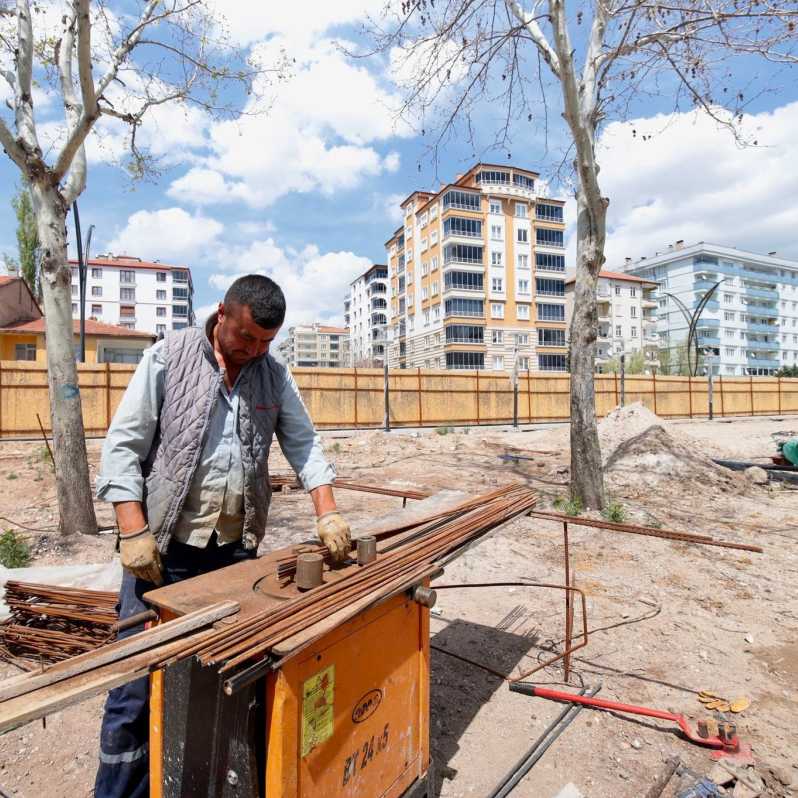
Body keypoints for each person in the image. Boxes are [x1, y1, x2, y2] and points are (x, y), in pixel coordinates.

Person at [93, 274, 351, 798]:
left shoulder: (272, 376)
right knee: (135, 687)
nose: (253, 350)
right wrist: (133, 530)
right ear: (221, 314)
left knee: (221, 679)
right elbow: (122, 446)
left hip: (232, 557)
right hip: (162, 556)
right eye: (246, 338)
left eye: (265, 342)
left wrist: (327, 514)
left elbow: (304, 446)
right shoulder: (170, 357)